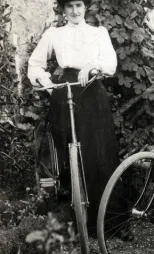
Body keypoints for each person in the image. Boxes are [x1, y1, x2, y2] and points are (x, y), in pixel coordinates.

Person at [28, 0, 119, 233]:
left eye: (79, 5)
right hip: (64, 90)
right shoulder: (54, 34)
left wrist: (92, 66)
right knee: (68, 154)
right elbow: (35, 64)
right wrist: (48, 85)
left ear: (85, 7)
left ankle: (109, 221)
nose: (75, 11)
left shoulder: (98, 33)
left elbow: (110, 64)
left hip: (92, 93)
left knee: (99, 153)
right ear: (63, 10)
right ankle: (75, 220)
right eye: (69, 6)